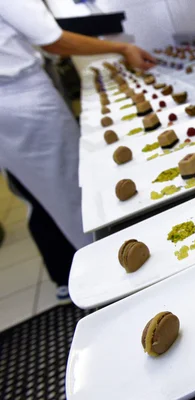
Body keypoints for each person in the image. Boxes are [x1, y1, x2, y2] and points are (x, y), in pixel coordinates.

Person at [0, 1, 156, 300]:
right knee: (75, 196)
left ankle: (111, 279)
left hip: (9, 101)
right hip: (21, 94)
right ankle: (122, 288)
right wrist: (123, 50)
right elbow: (53, 40)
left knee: (50, 197)